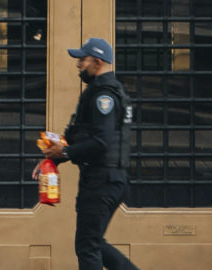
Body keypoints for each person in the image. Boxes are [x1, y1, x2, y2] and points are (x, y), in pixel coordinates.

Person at [33, 37, 140, 270]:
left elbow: (101, 141)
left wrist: (67, 152)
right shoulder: (99, 91)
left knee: (87, 245)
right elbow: (80, 133)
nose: (78, 64)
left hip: (103, 180)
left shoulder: (105, 96)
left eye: (83, 59)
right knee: (92, 242)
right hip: (107, 179)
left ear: (97, 62)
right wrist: (52, 158)